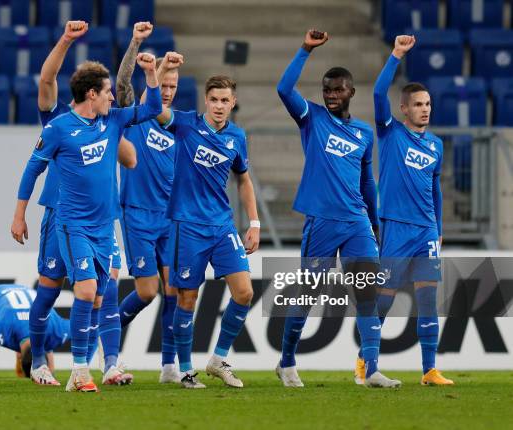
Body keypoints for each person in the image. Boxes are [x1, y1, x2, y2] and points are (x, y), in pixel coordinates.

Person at [13, 54, 162, 392]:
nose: (113, 97)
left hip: (104, 225)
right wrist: (19, 214)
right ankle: (62, 366)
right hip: (69, 222)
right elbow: (31, 169)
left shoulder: (111, 123)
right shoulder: (58, 126)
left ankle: (106, 363)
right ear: (91, 94)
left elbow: (152, 108)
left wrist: (151, 71)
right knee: (69, 290)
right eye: (108, 91)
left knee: (100, 294)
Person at [275, 29, 400, 388]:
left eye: (337, 89)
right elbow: (284, 90)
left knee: (367, 292)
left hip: (357, 221)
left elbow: (368, 183)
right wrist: (304, 50)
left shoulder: (363, 133)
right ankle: (286, 362)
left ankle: (371, 368)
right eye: (327, 89)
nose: (331, 95)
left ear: (351, 92)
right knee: (309, 293)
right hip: (322, 221)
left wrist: (375, 223)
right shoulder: (311, 118)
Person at [156, 59, 260, 388]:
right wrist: (158, 72)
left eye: (224, 100)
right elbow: (152, 106)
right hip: (187, 226)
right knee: (187, 299)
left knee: (244, 292)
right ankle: (186, 371)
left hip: (222, 226)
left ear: (233, 103)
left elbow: (243, 180)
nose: (218, 105)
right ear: (206, 100)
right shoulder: (185, 125)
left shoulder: (237, 137)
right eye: (213, 99)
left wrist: (254, 221)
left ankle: (218, 358)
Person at [369, 34, 452, 386]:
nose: (425, 109)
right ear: (404, 108)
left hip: (426, 231)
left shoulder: (436, 144)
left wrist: (439, 226)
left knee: (428, 301)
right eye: (418, 104)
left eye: (428, 103)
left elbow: (435, 188)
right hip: (396, 227)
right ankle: (367, 362)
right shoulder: (389, 133)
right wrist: (395, 56)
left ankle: (429, 370)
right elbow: (376, 94)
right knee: (384, 301)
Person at [117, 40, 182, 382]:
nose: (167, 92)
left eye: (173, 86)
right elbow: (144, 97)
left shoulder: (178, 127)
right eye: (164, 85)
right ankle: (107, 336)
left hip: (168, 219)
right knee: (147, 291)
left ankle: (169, 366)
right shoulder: (138, 118)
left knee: (174, 289)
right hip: (138, 215)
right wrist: (156, 69)